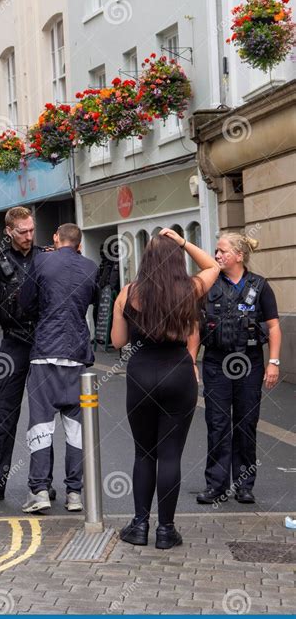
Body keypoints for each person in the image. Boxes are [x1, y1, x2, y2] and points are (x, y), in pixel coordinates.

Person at [111, 228, 220, 549]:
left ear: (146, 260)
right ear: (177, 260)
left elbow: (118, 341)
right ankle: (166, 531)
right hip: (178, 374)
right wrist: (184, 242)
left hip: (141, 374)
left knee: (144, 453)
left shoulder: (127, 292)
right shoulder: (189, 289)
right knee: (170, 454)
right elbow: (214, 267)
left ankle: (140, 525)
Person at [195, 233, 281, 505]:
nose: (217, 256)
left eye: (222, 252)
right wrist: (190, 361)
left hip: (249, 363)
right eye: (216, 251)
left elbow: (274, 326)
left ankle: (244, 485)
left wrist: (274, 362)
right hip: (216, 363)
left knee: (246, 424)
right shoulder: (209, 283)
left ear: (239, 255)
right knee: (217, 424)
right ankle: (216, 485)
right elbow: (195, 327)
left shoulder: (260, 286)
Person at [19, 223, 99, 513]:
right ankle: (75, 494)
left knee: (41, 425)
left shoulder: (41, 261)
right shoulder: (91, 267)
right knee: (76, 429)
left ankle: (40, 490)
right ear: (79, 243)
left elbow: (25, 303)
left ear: (56, 238)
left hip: (45, 355)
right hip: (77, 357)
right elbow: (92, 302)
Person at [0, 206, 54, 501]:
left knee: (43, 417)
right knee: (2, 415)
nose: (28, 236)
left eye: (31, 230)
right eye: (22, 231)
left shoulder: (46, 258)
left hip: (41, 343)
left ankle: (42, 483)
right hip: (12, 344)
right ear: (9, 231)